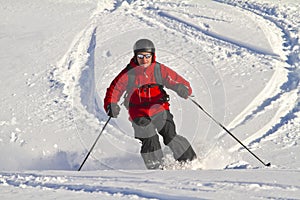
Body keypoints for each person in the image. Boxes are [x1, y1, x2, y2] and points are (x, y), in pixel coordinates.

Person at [104, 39, 197, 169]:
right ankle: (156, 166)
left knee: (169, 134)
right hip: (138, 112)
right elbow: (115, 89)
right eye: (140, 56)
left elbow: (176, 81)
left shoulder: (159, 69)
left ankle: (190, 161)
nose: (144, 59)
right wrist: (111, 104)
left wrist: (183, 89)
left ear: (152, 56)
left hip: (159, 109)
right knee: (149, 137)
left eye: (147, 56)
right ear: (135, 56)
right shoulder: (129, 73)